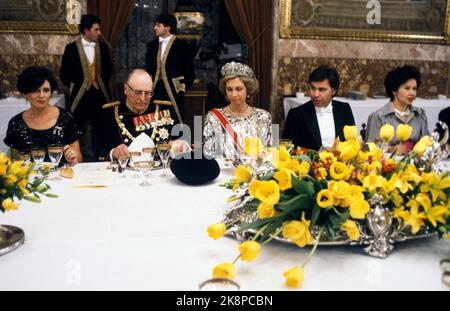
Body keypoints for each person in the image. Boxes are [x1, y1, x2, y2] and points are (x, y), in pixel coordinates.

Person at [100, 69, 189, 160]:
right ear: (126, 89)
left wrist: (179, 145)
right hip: (125, 171)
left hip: (159, 171)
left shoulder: (165, 110)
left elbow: (184, 143)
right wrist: (114, 152)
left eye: (148, 93)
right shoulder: (110, 114)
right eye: (138, 92)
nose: (143, 99)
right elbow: (101, 151)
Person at [60, 14, 113, 160]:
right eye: (96, 29)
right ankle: (77, 159)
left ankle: (103, 157)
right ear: (86, 30)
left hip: (100, 95)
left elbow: (109, 71)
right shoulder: (71, 49)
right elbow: (64, 74)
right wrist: (77, 83)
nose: (99, 32)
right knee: (75, 128)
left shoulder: (103, 47)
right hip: (79, 96)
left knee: (103, 129)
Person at [4, 66, 82, 163]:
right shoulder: (16, 123)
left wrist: (73, 158)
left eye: (46, 90)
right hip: (31, 177)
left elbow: (78, 160)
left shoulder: (66, 118)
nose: (41, 95)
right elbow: (14, 164)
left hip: (62, 176)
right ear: (25, 94)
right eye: (35, 90)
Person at [203, 61, 272, 159]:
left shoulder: (263, 117)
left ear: (248, 89)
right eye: (229, 89)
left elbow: (268, 154)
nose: (234, 94)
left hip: (252, 172)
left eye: (239, 89)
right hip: (222, 173)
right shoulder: (213, 118)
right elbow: (208, 155)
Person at [283, 65, 355, 150]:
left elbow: (352, 143)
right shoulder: (296, 114)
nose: (315, 94)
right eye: (313, 88)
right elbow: (288, 150)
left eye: (322, 90)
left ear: (333, 91)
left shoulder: (344, 109)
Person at [145, 14, 195, 126]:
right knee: (154, 116)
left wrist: (182, 87)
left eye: (158, 25)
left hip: (174, 89)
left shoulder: (182, 46)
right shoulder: (152, 45)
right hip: (155, 87)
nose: (155, 28)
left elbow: (189, 71)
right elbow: (148, 68)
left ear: (167, 28)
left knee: (174, 116)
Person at [366, 65, 429, 149]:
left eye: (414, 89)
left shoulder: (420, 114)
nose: (412, 93)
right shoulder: (379, 116)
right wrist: (392, 150)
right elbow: (371, 148)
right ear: (394, 90)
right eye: (407, 88)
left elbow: (426, 144)